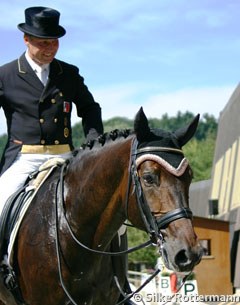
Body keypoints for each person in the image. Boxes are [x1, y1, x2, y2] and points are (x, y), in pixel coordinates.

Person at [0, 6, 104, 216]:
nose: (51, 49)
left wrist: (94, 144)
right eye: (43, 43)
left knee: (106, 204)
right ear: (26, 39)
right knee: (0, 205)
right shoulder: (5, 75)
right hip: (24, 158)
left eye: (55, 42)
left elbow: (89, 108)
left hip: (64, 155)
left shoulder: (68, 73)